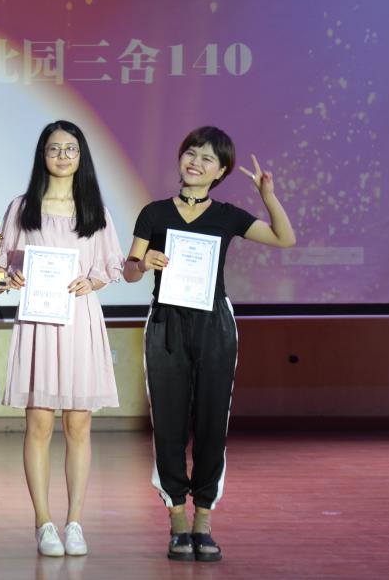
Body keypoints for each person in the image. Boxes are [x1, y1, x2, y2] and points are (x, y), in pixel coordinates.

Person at [123, 126, 295, 562]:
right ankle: (177, 519)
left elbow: (285, 238)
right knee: (168, 422)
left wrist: (268, 196)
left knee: (212, 421)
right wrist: (144, 263)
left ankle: (203, 520)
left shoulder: (228, 215)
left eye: (207, 159)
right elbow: (129, 269)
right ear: (181, 158)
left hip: (214, 323)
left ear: (220, 172)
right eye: (191, 153)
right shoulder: (154, 212)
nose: (196, 163)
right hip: (166, 323)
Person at [0, 120, 123, 557]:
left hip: (79, 320)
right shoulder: (21, 207)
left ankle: (74, 521)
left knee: (78, 424)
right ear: (42, 154)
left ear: (81, 156)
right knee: (38, 423)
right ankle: (43, 522)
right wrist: (11, 277)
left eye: (71, 149)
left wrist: (94, 282)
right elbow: (0, 266)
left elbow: (109, 266)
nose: (63, 156)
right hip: (37, 322)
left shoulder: (95, 209)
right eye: (54, 149)